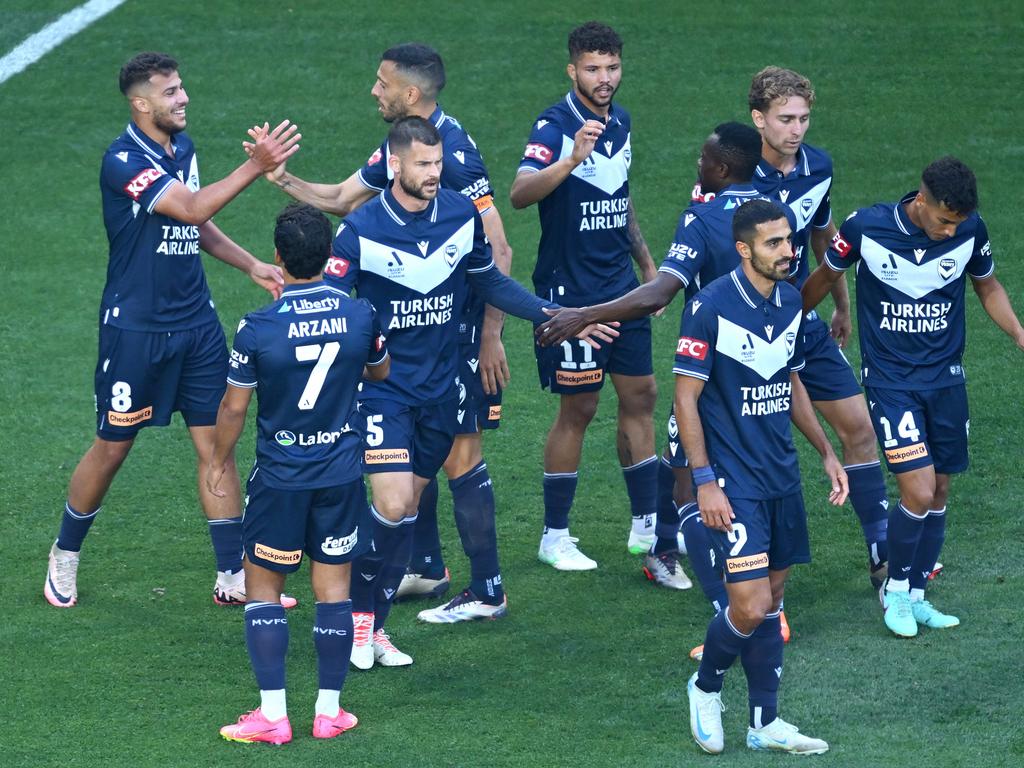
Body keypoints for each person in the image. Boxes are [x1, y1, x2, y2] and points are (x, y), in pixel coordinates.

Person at [323, 116, 614, 668]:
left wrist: (559, 316)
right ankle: (358, 620)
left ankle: (373, 624)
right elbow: (334, 302)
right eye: (423, 165)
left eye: (437, 163)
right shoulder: (360, 230)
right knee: (393, 504)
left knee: (404, 513)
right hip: (385, 393)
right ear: (394, 166)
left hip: (442, 389)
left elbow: (490, 280)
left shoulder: (459, 213)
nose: (434, 174)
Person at [255, 43, 515, 624]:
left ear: (411, 94)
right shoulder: (401, 144)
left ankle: (487, 588)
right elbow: (346, 201)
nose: (374, 91)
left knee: (461, 457)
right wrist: (282, 178)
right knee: (409, 470)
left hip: (456, 332)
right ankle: (423, 566)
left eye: (382, 83)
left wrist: (490, 335)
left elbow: (497, 248)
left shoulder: (455, 160)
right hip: (408, 342)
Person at [43, 51, 300, 609]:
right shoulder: (121, 160)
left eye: (181, 88)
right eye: (170, 93)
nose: (183, 99)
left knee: (217, 447)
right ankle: (65, 554)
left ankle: (233, 574)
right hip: (136, 332)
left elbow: (196, 221)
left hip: (197, 328)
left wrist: (249, 262)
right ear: (141, 104)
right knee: (113, 447)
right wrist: (256, 166)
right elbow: (186, 208)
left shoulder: (181, 148)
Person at [538, 122, 783, 596]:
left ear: (723, 167)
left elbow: (660, 293)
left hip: (709, 369)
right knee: (755, 457)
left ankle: (666, 548)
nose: (697, 165)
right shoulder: (776, 214)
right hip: (765, 366)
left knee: (684, 458)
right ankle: (735, 558)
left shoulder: (703, 217)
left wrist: (583, 314)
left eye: (704, 160)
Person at [802, 157, 1024, 638]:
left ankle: (919, 596)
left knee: (940, 490)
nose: (950, 231)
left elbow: (987, 287)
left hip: (946, 381)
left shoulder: (971, 231)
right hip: (891, 381)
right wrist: (783, 318)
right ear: (921, 201)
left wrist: (1019, 334)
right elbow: (824, 274)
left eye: (958, 223)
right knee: (918, 490)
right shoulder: (866, 227)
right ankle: (895, 593)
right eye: (944, 221)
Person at [209, 203, 389, 744]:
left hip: (281, 480)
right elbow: (379, 369)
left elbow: (234, 408)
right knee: (333, 592)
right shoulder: (360, 315)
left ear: (278, 259)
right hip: (339, 474)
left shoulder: (257, 328)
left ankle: (273, 716)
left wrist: (219, 460)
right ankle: (328, 712)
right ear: (331, 257)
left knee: (264, 591)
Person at [678, 200, 846, 755]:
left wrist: (825, 449)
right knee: (747, 607)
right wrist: (704, 480)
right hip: (733, 479)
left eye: (790, 240)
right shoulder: (709, 306)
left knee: (771, 602)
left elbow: (789, 380)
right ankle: (705, 688)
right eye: (774, 243)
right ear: (745, 249)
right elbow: (686, 397)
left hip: (781, 475)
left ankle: (764, 723)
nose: (788, 251)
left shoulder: (792, 299)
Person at [511, 21, 660, 570]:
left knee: (641, 395)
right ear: (572, 69)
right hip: (569, 297)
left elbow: (620, 197)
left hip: (622, 290)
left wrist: (646, 265)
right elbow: (520, 193)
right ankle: (555, 536)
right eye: (593, 68)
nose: (605, 78)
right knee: (580, 406)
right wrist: (570, 159)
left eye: (613, 67)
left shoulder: (619, 121)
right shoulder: (554, 126)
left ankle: (647, 524)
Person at [747, 67, 891, 592]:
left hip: (801, 322)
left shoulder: (818, 167)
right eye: (785, 119)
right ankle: (668, 538)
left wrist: (841, 304)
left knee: (860, 429)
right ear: (758, 118)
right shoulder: (734, 174)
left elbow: (823, 234)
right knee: (717, 449)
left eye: (804, 118)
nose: (796, 129)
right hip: (747, 333)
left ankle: (882, 556)